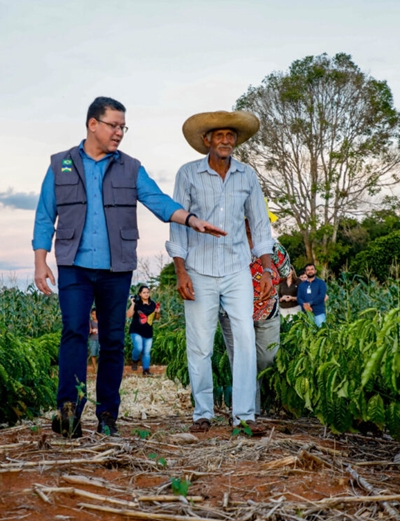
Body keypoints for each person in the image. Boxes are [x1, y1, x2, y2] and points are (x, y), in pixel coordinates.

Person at [32, 96, 225, 439]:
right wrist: (40, 261)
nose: (119, 132)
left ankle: (107, 416)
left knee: (112, 341)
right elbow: (46, 215)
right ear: (93, 124)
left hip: (116, 269)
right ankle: (69, 411)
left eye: (123, 127)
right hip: (73, 266)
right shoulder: (60, 164)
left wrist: (191, 219)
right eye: (113, 125)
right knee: (74, 333)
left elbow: (158, 200)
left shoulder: (131, 167)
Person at [167, 110, 274, 436]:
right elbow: (178, 223)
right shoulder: (188, 174)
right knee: (200, 344)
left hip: (237, 268)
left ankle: (244, 416)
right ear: (207, 141)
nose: (226, 140)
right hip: (199, 269)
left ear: (235, 141)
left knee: (244, 340)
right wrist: (181, 271)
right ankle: (202, 413)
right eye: (220, 135)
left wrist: (266, 269)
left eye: (231, 136)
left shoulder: (247, 176)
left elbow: (259, 223)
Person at [219, 219, 291, 417]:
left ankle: (255, 405)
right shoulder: (226, 246)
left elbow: (286, 272)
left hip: (267, 312)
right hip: (233, 313)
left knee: (267, 358)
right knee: (241, 362)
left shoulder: (273, 246)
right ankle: (249, 414)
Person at [127, 285, 160, 377]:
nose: (146, 294)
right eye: (144, 292)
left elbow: (156, 318)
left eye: (147, 292)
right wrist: (132, 304)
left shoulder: (153, 304)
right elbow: (128, 315)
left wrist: (157, 312)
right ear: (140, 294)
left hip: (148, 331)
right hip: (136, 330)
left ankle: (146, 370)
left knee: (146, 352)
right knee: (138, 348)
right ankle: (134, 360)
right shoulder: (136, 303)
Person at [88, 308, 99, 374]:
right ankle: (95, 368)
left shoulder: (101, 322)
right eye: (93, 314)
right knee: (93, 354)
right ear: (91, 315)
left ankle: (99, 367)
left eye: (96, 314)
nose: (94, 316)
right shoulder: (90, 322)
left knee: (101, 353)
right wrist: (92, 330)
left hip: (100, 340)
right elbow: (89, 330)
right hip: (93, 340)